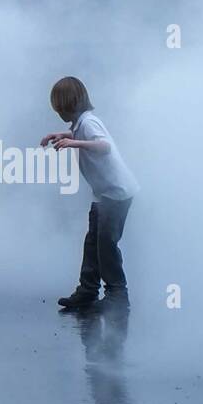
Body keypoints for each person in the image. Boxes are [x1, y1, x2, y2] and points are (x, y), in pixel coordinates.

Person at [39, 76, 139, 309]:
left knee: (106, 243)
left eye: (60, 109)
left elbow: (104, 146)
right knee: (92, 241)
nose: (59, 114)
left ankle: (117, 294)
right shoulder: (81, 124)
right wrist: (63, 135)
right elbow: (83, 137)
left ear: (70, 105)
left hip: (117, 193)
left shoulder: (89, 122)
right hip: (104, 194)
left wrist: (73, 144)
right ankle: (88, 289)